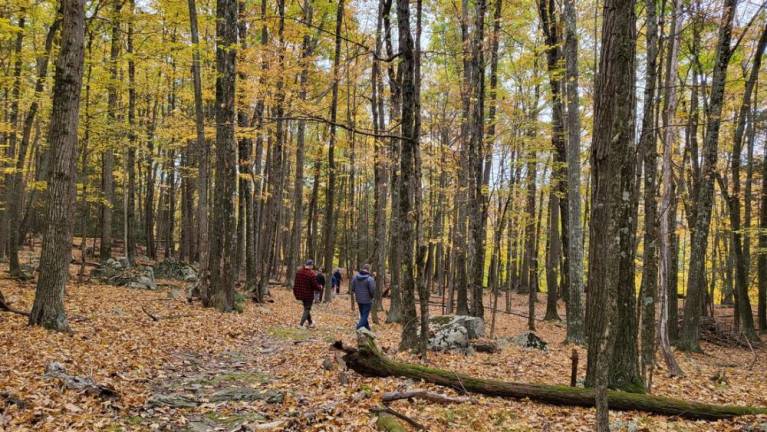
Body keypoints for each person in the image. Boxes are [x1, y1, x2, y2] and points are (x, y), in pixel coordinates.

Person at [293, 259, 321, 328]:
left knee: (306, 308)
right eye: (312, 265)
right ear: (311, 265)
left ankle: (310, 323)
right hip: (308, 295)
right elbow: (315, 285)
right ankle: (301, 324)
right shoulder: (311, 274)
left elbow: (296, 283)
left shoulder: (299, 272)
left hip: (300, 293)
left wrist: (295, 292)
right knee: (307, 308)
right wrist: (320, 287)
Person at [351, 264, 376, 331]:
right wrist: (372, 297)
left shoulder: (355, 277)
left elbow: (352, 288)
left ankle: (367, 328)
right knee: (364, 315)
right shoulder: (370, 279)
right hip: (367, 300)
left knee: (363, 314)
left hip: (359, 299)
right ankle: (358, 327)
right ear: (368, 269)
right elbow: (372, 290)